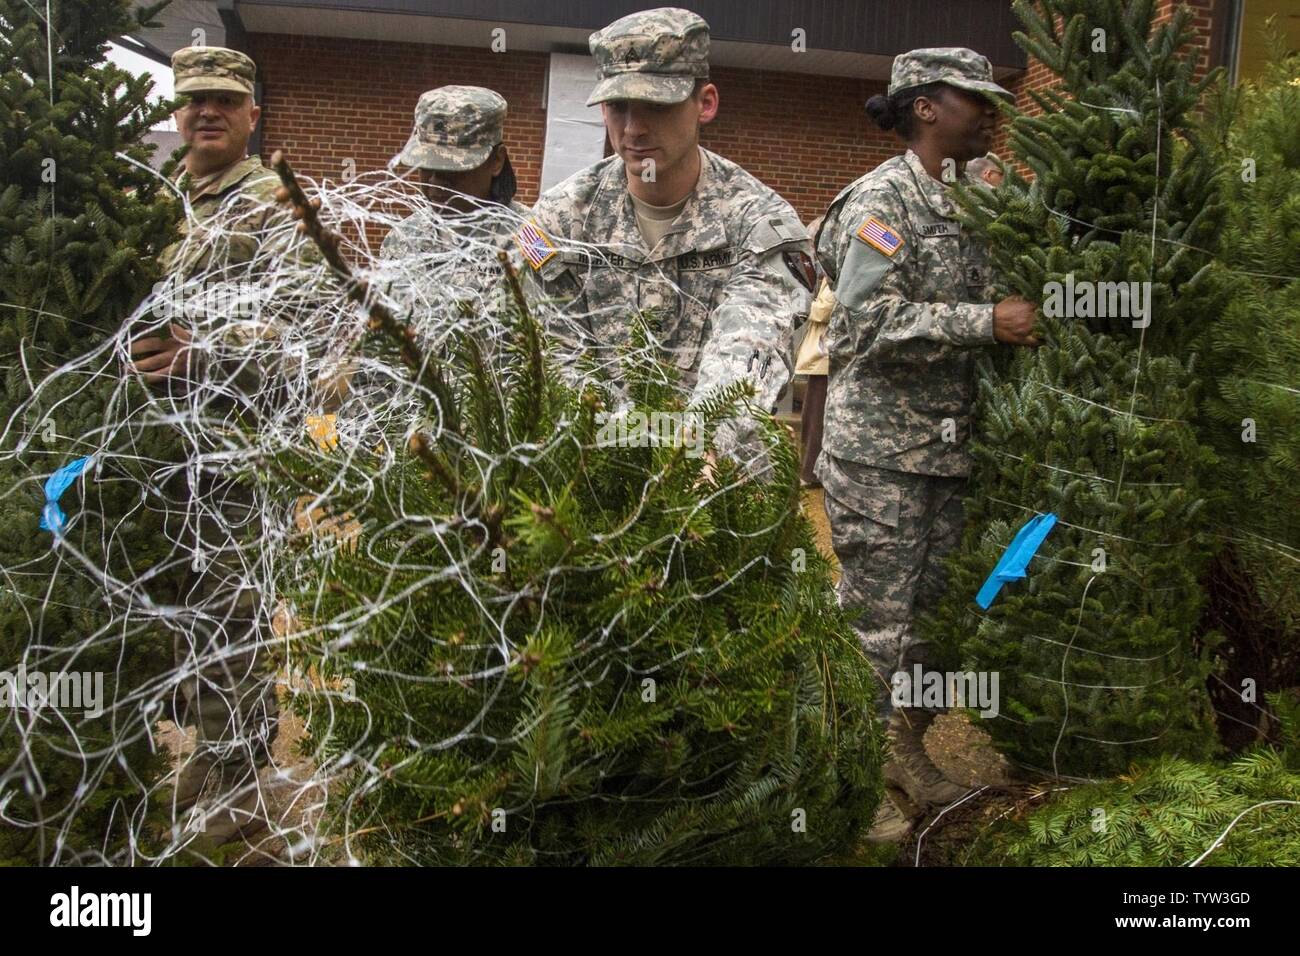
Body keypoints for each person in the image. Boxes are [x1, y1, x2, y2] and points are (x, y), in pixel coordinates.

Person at [814, 48, 1039, 842]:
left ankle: (903, 751)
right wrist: (985, 323)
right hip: (881, 454)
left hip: (956, 455)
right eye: (969, 96)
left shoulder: (985, 195)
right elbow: (861, 325)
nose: (989, 110)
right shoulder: (881, 202)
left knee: (938, 623)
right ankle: (846, 775)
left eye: (992, 95)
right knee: (875, 622)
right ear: (922, 108)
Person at [125, 46, 311, 846]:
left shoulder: (275, 205)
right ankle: (188, 757)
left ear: (252, 118)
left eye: (224, 101)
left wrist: (206, 352)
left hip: (229, 454)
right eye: (193, 99)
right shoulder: (156, 203)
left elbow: (305, 326)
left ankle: (240, 784)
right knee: (158, 609)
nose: (206, 112)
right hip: (142, 450)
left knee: (227, 617)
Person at [524, 7, 814, 474]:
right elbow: (557, 355)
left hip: (721, 478)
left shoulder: (760, 222)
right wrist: (625, 448)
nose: (634, 128)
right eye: (618, 106)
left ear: (706, 103)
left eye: (656, 105)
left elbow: (751, 347)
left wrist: (696, 447)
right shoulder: (559, 221)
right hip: (593, 477)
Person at [382, 85, 529, 263]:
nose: (435, 180)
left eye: (452, 168)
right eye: (427, 165)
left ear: (497, 161)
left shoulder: (528, 244)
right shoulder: (402, 239)